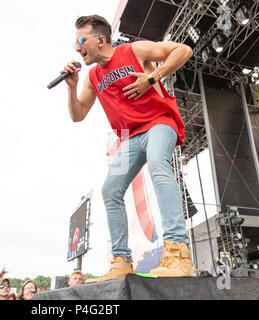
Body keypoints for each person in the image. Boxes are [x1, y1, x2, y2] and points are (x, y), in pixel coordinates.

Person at [62, 15, 193, 282]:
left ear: (100, 39)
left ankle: (178, 252)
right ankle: (121, 261)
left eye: (81, 40)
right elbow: (78, 115)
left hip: (158, 123)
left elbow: (184, 50)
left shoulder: (134, 50)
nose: (77, 47)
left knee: (158, 162)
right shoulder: (92, 77)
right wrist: (72, 88)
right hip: (128, 136)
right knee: (110, 188)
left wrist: (153, 77)